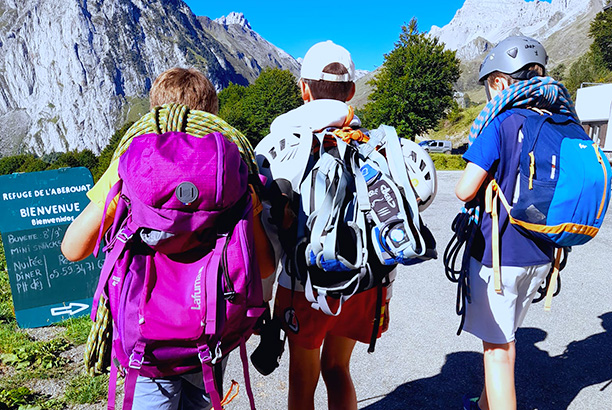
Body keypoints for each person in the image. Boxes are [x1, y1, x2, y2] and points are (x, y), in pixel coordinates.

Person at [62, 67, 274, 410]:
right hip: (209, 334)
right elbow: (264, 267)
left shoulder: (129, 172)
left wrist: (121, 194)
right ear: (213, 114)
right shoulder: (233, 176)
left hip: (146, 340)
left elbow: (72, 248)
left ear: (153, 112)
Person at [257, 41, 392, 410]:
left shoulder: (277, 145)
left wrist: (262, 299)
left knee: (303, 378)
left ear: (304, 89)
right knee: (338, 367)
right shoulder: (374, 144)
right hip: (364, 280)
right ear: (351, 91)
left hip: (306, 284)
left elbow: (268, 232)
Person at [454, 36, 580, 410]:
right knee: (506, 336)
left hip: (499, 256)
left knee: (495, 351)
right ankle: (482, 405)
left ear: (500, 81)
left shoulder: (503, 121)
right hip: (544, 253)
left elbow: (464, 190)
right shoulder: (561, 121)